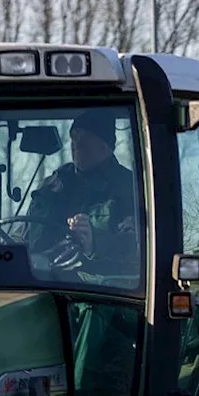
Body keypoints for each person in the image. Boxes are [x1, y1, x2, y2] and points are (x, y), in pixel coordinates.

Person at [25, 109, 137, 273]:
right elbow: (24, 234)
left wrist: (94, 243)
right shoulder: (52, 186)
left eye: (85, 137)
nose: (77, 143)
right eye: (74, 137)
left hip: (101, 291)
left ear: (105, 145)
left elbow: (139, 248)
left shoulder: (129, 188)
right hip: (41, 282)